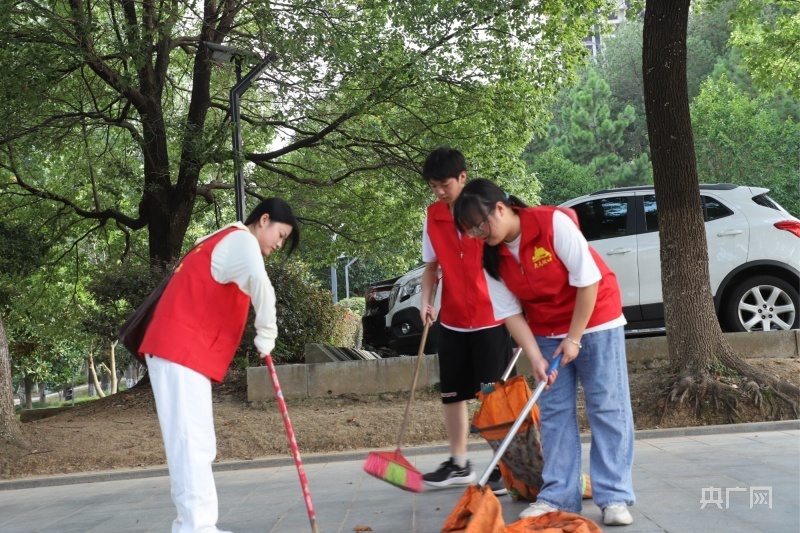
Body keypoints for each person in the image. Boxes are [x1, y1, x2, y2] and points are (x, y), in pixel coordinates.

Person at [453, 178, 635, 527]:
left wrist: (575, 337)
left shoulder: (552, 224)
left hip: (595, 318)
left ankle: (613, 496)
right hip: (545, 329)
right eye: (472, 230)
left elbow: (589, 280)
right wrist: (535, 357)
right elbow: (510, 313)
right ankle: (558, 496)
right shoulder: (491, 257)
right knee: (554, 413)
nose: (479, 234)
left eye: (481, 224)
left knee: (607, 406)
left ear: (501, 208)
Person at [139, 198, 300, 533]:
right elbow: (262, 289)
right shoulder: (242, 241)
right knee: (190, 441)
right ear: (264, 220)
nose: (278, 244)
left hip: (180, 351)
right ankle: (195, 527)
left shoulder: (223, 238)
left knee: (197, 441)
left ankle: (197, 525)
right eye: (280, 235)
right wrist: (266, 335)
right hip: (177, 349)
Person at [418, 147, 515, 494]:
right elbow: (431, 268)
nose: (440, 192)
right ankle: (458, 465)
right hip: (454, 321)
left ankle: (503, 466)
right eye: (433, 186)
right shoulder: (432, 217)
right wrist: (426, 302)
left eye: (445, 184)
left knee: (491, 394)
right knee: (453, 393)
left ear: (462, 177)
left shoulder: (485, 212)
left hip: (492, 320)